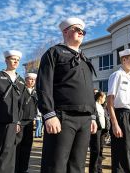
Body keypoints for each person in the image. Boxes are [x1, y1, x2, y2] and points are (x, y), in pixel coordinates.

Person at [36, 17, 97, 173]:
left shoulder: (85, 58)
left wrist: (93, 116)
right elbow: (44, 84)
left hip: (84, 120)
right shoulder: (54, 52)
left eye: (83, 31)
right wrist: (49, 114)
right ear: (65, 31)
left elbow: (88, 89)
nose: (81, 32)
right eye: (76, 29)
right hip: (62, 117)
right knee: (56, 165)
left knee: (77, 166)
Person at [107, 48, 130, 173]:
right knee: (122, 154)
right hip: (121, 116)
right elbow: (109, 102)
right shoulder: (116, 75)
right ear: (124, 59)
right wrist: (115, 124)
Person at [15, 72, 38, 173]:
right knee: (17, 146)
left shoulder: (36, 93)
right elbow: (16, 106)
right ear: (26, 80)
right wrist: (17, 121)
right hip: (20, 122)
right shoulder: (21, 90)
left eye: (34, 80)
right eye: (30, 79)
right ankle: (15, 168)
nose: (32, 81)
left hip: (30, 122)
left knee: (27, 146)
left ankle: (24, 169)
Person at [89, 91, 106, 173]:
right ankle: (93, 170)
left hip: (102, 130)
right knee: (95, 150)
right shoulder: (94, 105)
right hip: (96, 130)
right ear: (100, 97)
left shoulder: (101, 106)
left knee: (100, 150)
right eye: (104, 97)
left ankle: (99, 169)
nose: (105, 99)